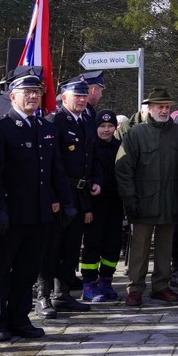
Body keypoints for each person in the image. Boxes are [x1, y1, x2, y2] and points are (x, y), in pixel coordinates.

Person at [0, 74, 68, 341]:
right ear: (12, 96)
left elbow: (54, 170)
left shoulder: (44, 127)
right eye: (26, 91)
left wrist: (66, 202)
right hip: (8, 213)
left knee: (27, 270)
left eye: (36, 92)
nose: (32, 97)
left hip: (37, 213)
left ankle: (20, 318)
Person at [114, 87, 178, 307]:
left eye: (167, 107)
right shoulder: (136, 134)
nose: (164, 110)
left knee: (165, 248)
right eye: (160, 107)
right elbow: (123, 169)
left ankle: (161, 287)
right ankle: (135, 288)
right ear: (149, 108)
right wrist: (130, 201)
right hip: (143, 202)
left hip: (170, 201)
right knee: (140, 248)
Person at [43, 78, 95, 315]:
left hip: (80, 193)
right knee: (51, 246)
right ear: (63, 98)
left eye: (85, 96)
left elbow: (89, 157)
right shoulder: (55, 121)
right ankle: (43, 295)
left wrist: (95, 183)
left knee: (71, 247)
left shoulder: (86, 120)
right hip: (61, 193)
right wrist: (57, 197)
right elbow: (52, 164)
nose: (83, 100)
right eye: (78, 96)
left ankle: (62, 294)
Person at [81, 109, 123, 302]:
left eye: (110, 126)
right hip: (95, 206)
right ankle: (89, 283)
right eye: (102, 126)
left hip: (114, 204)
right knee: (93, 245)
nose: (106, 130)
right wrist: (87, 208)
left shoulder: (119, 146)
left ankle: (106, 280)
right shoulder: (89, 147)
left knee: (113, 245)